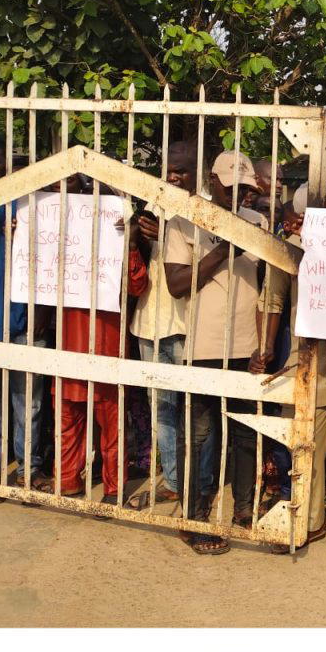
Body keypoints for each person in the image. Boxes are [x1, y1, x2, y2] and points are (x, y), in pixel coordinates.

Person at [163, 150, 283, 554]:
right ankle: (194, 514)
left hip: (247, 346)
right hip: (202, 344)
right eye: (231, 188)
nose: (239, 197)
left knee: (247, 434)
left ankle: (243, 514)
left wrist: (265, 344)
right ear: (212, 183)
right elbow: (177, 284)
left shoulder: (258, 222)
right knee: (199, 434)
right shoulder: (184, 219)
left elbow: (270, 289)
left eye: (246, 190)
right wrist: (224, 249)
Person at [264, 197, 326, 560]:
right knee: (308, 449)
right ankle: (310, 520)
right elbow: (273, 301)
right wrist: (266, 351)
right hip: (308, 364)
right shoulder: (289, 249)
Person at [57, 197, 149, 504]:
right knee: (69, 418)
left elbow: (137, 286)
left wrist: (132, 244)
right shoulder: (60, 235)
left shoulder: (121, 243)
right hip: (69, 342)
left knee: (109, 422)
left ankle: (113, 488)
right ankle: (69, 479)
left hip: (106, 344)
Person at [128, 141, 198, 504]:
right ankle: (173, 479)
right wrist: (137, 234)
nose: (173, 176)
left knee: (193, 408)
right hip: (149, 320)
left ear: (196, 174)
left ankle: (199, 478)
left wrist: (169, 233)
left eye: (182, 170)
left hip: (189, 323)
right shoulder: (151, 205)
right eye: (169, 170)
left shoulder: (204, 210)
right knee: (162, 407)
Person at [0, 144, 51, 500]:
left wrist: (43, 310)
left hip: (25, 319)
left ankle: (29, 469)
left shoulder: (30, 203)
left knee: (29, 405)